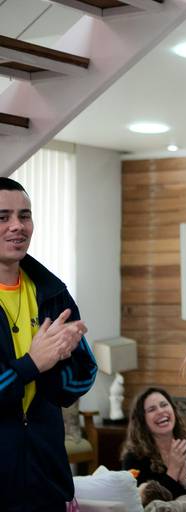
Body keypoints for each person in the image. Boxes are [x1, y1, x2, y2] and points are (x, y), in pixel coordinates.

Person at [0, 176, 97, 512]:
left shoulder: (52, 292)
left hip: (47, 480)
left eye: (24, 216)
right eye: (3, 217)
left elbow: (85, 375)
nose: (17, 226)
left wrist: (59, 360)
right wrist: (32, 364)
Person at [122, 387, 186, 503]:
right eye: (152, 409)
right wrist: (172, 472)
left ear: (173, 410)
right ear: (142, 420)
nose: (161, 411)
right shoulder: (133, 458)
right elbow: (144, 505)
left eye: (164, 405)